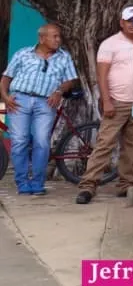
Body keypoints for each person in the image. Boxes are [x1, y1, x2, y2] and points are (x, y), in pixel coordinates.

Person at [1, 24, 80, 196]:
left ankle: (37, 182)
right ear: (42, 38)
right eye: (54, 36)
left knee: (42, 141)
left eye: (59, 36)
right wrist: (6, 97)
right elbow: (6, 77)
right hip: (19, 100)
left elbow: (70, 80)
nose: (58, 40)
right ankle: (22, 182)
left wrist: (59, 91)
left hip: (46, 102)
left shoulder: (64, 57)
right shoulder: (23, 54)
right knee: (19, 141)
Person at [76, 7, 133, 204]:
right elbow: (102, 75)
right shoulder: (110, 44)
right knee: (104, 144)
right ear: (122, 22)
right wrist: (106, 100)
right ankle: (88, 185)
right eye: (130, 20)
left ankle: (126, 184)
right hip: (116, 102)